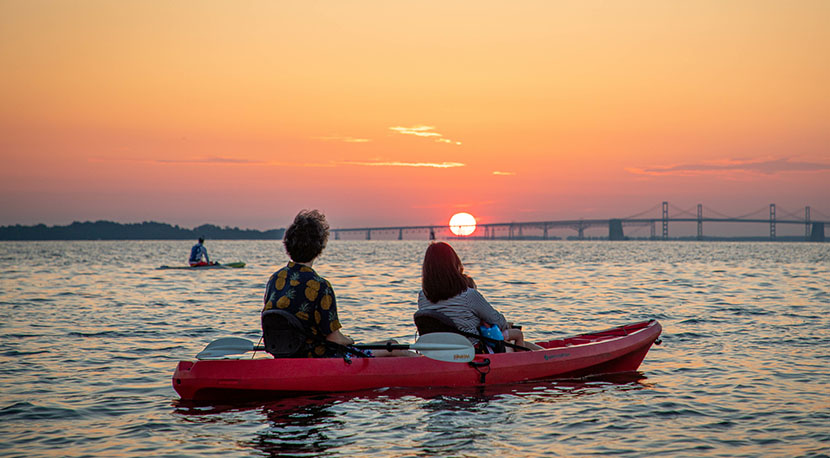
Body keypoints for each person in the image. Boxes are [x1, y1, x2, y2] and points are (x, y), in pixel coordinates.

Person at [263, 210, 415, 358]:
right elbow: (334, 339)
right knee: (393, 346)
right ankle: (429, 366)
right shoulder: (319, 286)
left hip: (286, 358)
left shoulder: (274, 280)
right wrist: (348, 340)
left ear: (287, 245)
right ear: (320, 248)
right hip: (321, 360)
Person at [417, 241, 544, 352]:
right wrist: (506, 325)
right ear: (454, 266)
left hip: (439, 352)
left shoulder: (422, 296)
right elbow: (498, 322)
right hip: (472, 353)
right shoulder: (469, 295)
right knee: (513, 338)